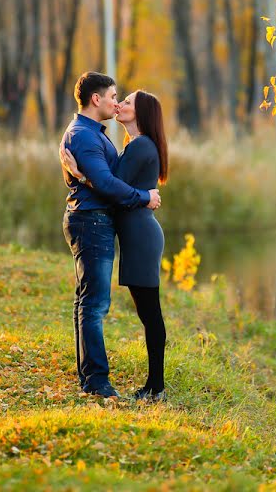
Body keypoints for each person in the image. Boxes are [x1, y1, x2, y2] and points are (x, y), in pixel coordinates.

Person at [61, 90, 168, 402]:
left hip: (142, 239)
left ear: (142, 113)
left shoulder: (142, 146)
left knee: (150, 315)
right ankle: (153, 386)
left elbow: (109, 186)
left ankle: (156, 388)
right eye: (120, 99)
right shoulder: (133, 145)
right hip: (138, 237)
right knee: (147, 314)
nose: (120, 104)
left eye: (128, 102)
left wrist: (81, 175)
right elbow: (116, 184)